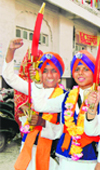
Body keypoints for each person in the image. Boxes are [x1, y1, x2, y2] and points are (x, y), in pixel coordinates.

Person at [31, 50, 100, 170]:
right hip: (65, 158)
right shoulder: (67, 96)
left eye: (86, 69)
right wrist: (37, 83)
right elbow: (40, 106)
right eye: (77, 69)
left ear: (94, 72)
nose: (81, 73)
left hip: (91, 160)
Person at [2, 38, 65, 170]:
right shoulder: (35, 88)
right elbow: (10, 78)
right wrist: (11, 51)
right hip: (28, 145)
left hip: (50, 152)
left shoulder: (66, 97)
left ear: (59, 75)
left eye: (53, 71)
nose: (49, 75)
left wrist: (43, 123)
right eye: (45, 71)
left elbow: (63, 128)